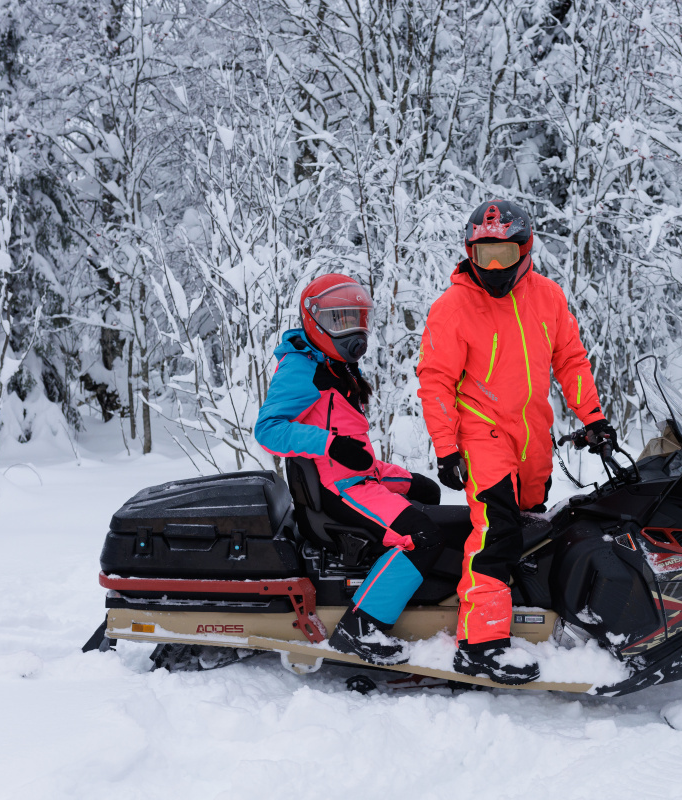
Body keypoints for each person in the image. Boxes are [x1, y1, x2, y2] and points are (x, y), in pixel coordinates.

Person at [417, 199, 617, 685]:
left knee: (531, 528)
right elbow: (436, 381)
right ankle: (480, 643)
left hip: (533, 437)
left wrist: (592, 416)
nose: (493, 267)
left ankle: (524, 615)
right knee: (496, 532)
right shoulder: (454, 307)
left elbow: (570, 360)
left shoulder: (547, 297)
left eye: (503, 255)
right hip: (482, 433)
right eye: (483, 256)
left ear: (524, 251)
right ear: (470, 254)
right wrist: (445, 447)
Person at [255, 274, 443, 666]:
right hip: (335, 491)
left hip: (356, 479)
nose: (353, 330)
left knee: (427, 494)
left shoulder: (335, 367)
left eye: (358, 319)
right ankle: (360, 628)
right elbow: (268, 429)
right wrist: (329, 444)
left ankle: (409, 594)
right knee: (420, 534)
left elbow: (354, 452)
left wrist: (403, 477)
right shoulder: (302, 368)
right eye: (340, 320)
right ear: (315, 321)